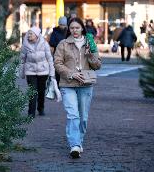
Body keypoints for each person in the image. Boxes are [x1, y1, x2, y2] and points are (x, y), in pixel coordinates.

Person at [54, 17, 101, 159]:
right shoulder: (63, 44)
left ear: (82, 29)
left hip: (85, 85)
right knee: (73, 115)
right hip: (67, 84)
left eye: (77, 27)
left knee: (83, 117)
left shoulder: (90, 43)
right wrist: (71, 74)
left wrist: (91, 54)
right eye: (72, 28)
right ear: (69, 29)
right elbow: (57, 63)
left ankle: (79, 142)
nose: (74, 30)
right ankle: (74, 144)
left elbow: (97, 65)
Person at [19, 26, 55, 118]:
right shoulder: (25, 45)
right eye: (29, 33)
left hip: (43, 71)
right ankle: (31, 112)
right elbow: (22, 59)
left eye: (31, 33)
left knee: (41, 91)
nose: (29, 35)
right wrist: (22, 72)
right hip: (30, 71)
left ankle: (41, 108)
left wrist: (51, 73)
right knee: (32, 91)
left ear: (37, 35)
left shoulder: (44, 44)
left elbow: (50, 59)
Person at [49, 16, 68, 85]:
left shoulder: (69, 32)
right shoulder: (55, 32)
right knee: (58, 72)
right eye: (61, 24)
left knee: (66, 72)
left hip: (67, 55)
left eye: (63, 25)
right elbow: (51, 42)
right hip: (57, 55)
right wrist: (60, 44)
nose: (62, 26)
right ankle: (59, 87)